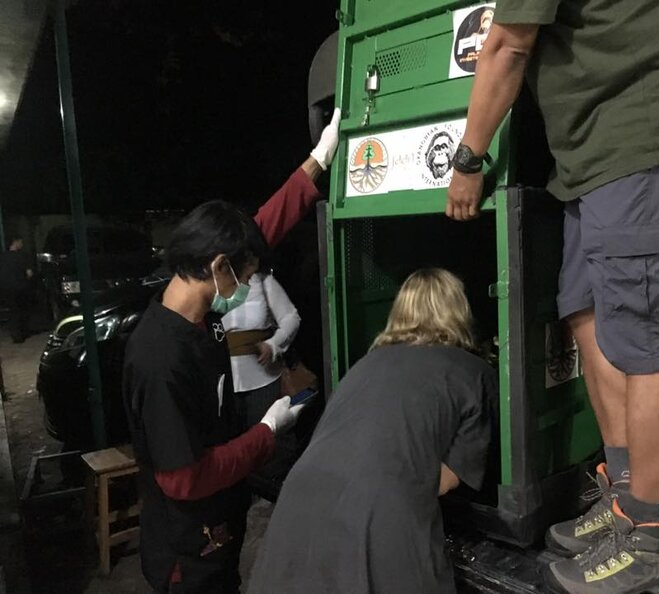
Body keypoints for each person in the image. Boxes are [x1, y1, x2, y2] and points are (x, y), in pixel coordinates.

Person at [445, 2, 659, 593]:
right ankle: (628, 496)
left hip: (647, 131)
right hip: (599, 154)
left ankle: (654, 539)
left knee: (645, 341)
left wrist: (468, 158)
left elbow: (507, 42)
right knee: (584, 311)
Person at [123, 110, 341, 594]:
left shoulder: (200, 312)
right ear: (219, 267)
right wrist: (267, 432)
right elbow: (183, 480)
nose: (247, 286)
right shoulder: (162, 359)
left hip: (218, 533)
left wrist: (317, 161)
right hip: (188, 554)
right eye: (244, 276)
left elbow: (264, 225)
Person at [246, 268, 497, 594]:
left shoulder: (367, 363)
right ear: (460, 311)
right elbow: (444, 480)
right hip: (382, 515)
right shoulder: (474, 372)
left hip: (297, 507)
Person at [223, 270, 300, 429]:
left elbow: (291, 318)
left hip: (262, 378)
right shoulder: (212, 285)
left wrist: (273, 344)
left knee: (267, 434)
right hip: (223, 381)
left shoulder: (263, 281)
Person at [0, 238, 34, 343]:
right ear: (15, 242)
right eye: (20, 242)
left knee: (12, 311)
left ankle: (15, 334)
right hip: (21, 287)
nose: (22, 244)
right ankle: (23, 333)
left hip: (6, 288)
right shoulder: (22, 256)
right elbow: (29, 273)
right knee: (22, 310)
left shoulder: (2, 257)